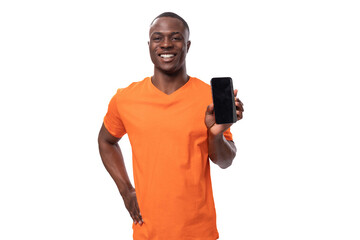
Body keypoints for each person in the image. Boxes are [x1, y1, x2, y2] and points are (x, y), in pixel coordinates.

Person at [98, 12, 244, 240]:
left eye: (175, 38)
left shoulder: (209, 97)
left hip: (199, 232)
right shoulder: (125, 98)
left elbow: (225, 161)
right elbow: (106, 140)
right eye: (158, 38)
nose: (166, 44)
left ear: (187, 45)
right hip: (148, 232)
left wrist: (215, 134)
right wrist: (126, 190)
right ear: (149, 45)